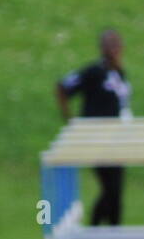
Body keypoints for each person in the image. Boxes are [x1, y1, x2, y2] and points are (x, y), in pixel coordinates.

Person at [54, 29, 133, 226]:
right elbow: (62, 87)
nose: (114, 49)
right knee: (110, 187)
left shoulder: (120, 74)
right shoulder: (94, 71)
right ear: (102, 48)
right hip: (97, 137)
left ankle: (112, 231)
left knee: (116, 189)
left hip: (117, 138)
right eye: (110, 45)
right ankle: (96, 229)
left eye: (117, 44)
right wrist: (70, 119)